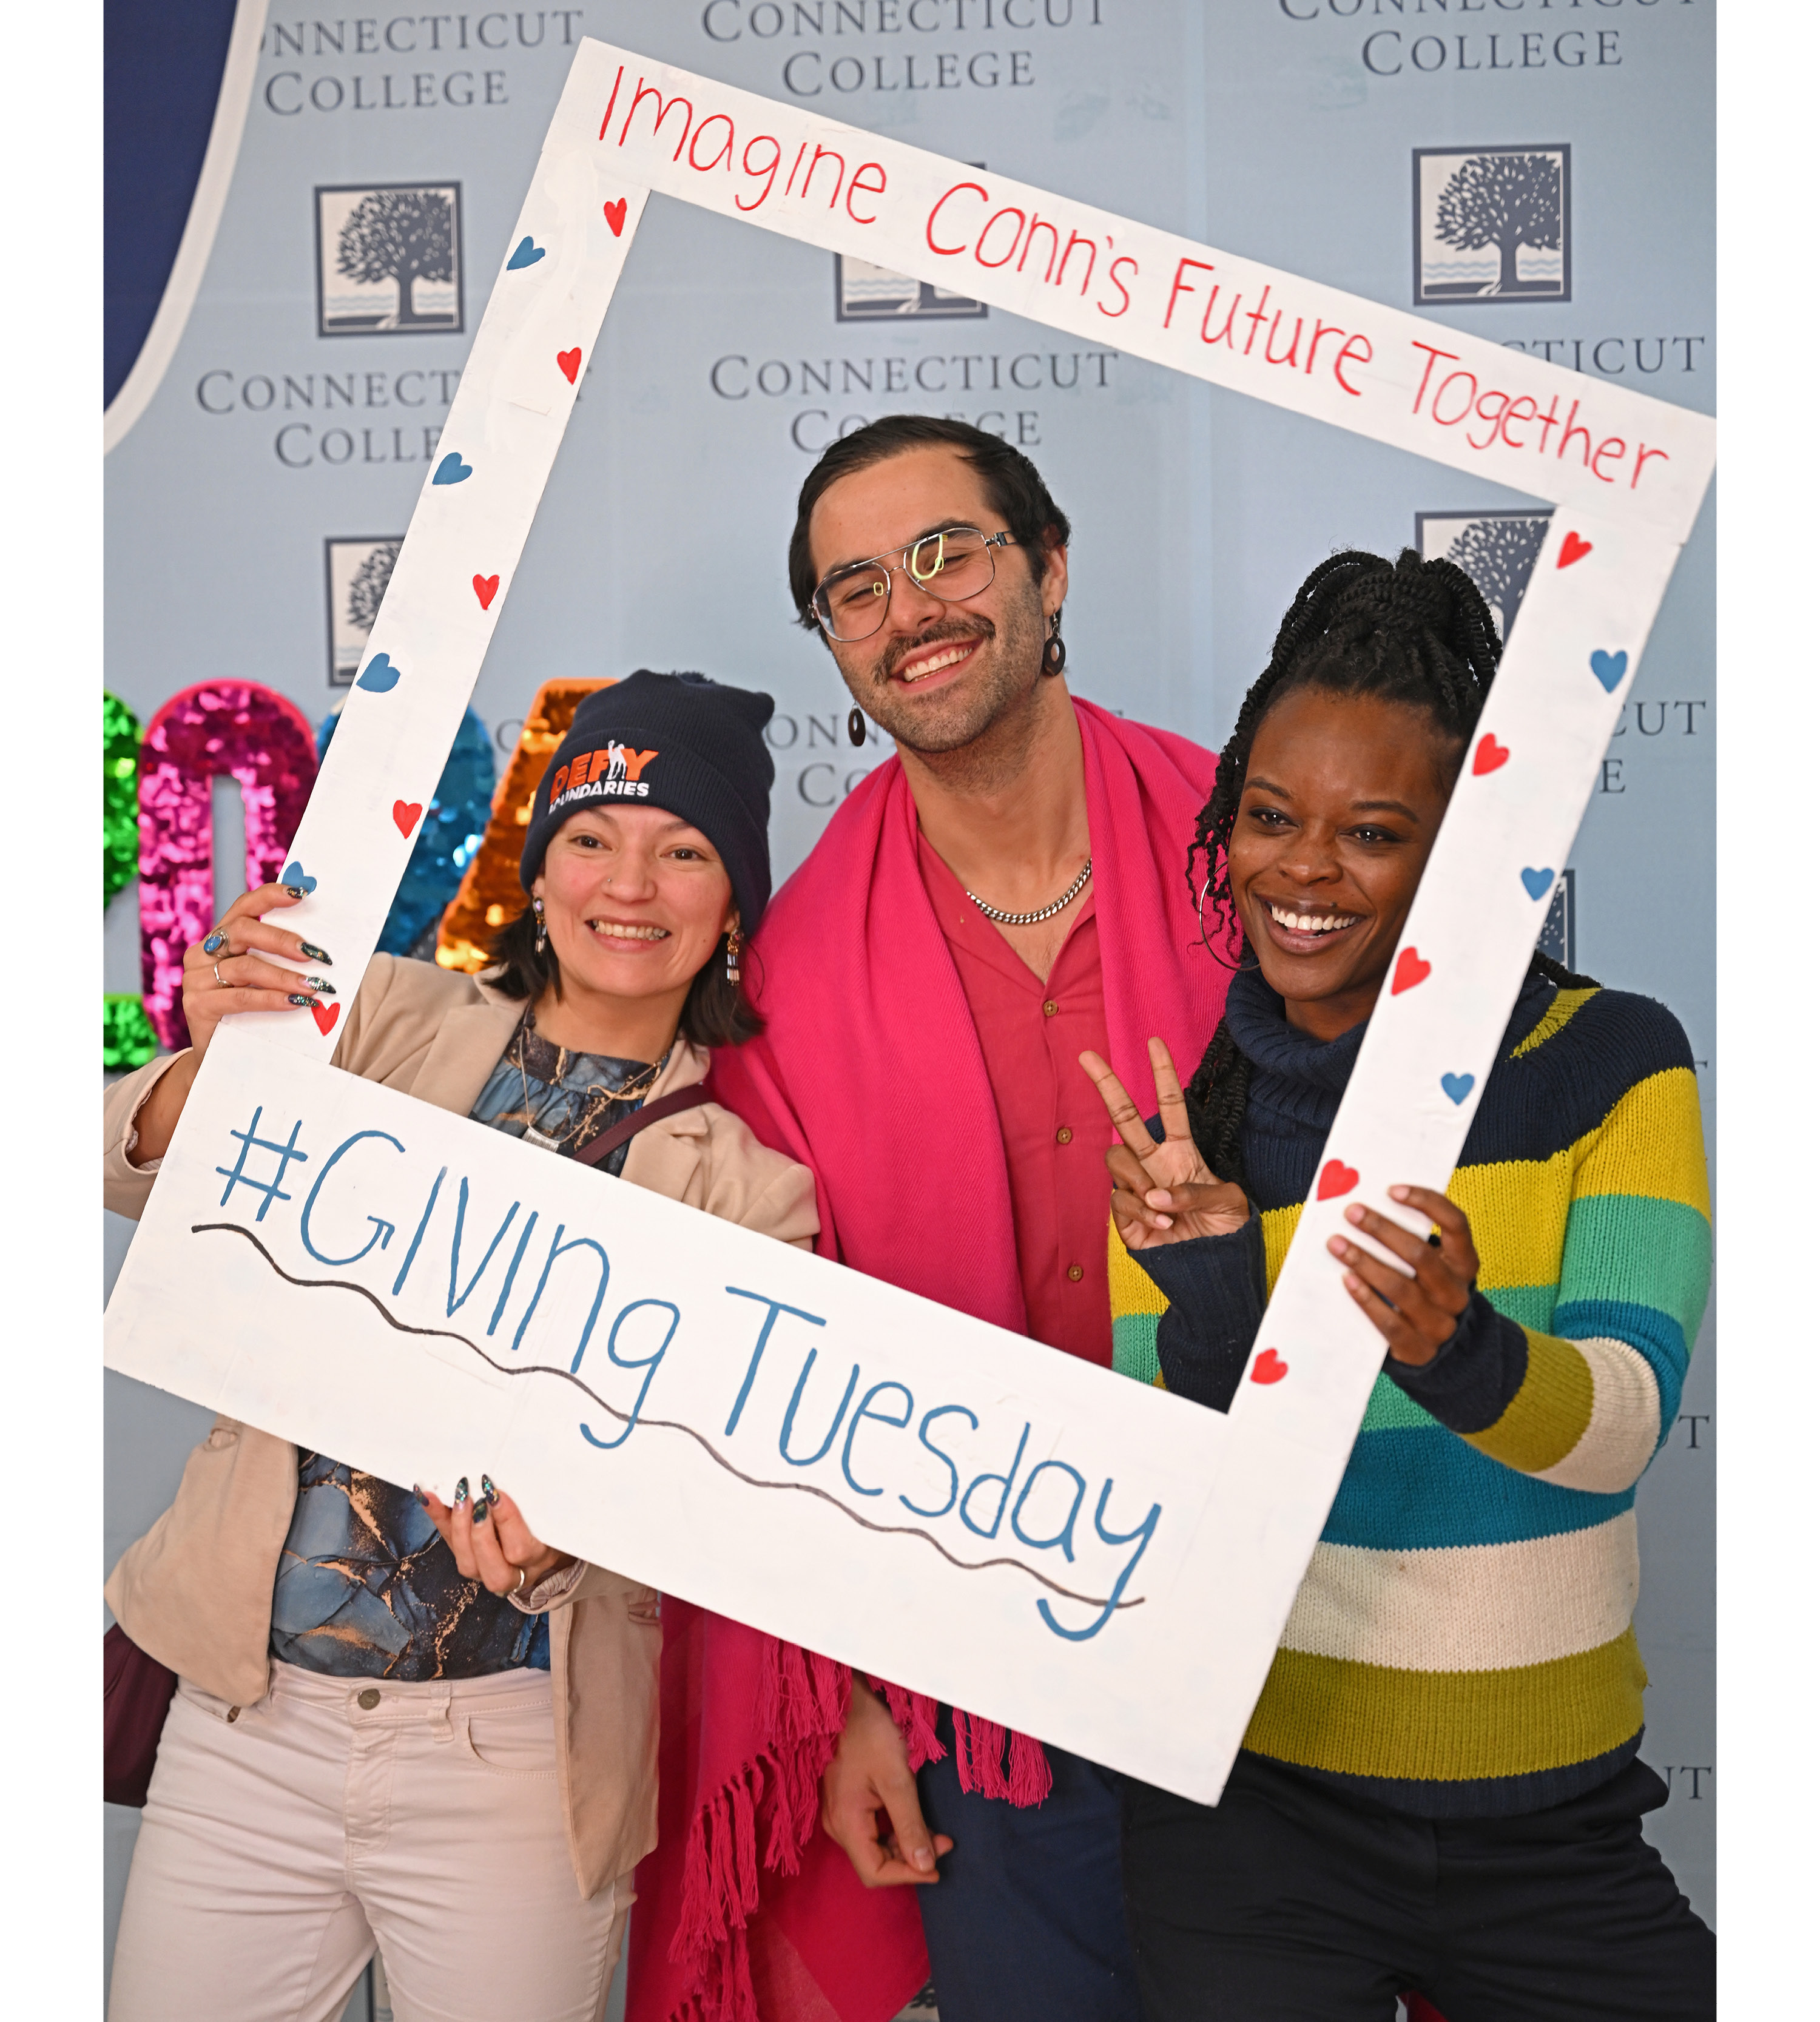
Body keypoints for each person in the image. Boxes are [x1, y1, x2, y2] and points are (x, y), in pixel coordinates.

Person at [625, 418, 1229, 2022]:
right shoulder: (795, 972)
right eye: (855, 588)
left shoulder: (1252, 857)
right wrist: (850, 1709)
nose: (912, 607)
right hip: (987, 1673)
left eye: (946, 551)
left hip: (1290, 1628)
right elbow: (779, 1377)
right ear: (834, 645)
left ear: (1049, 564)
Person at [104, 672, 818, 2022]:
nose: (632, 881)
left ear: (733, 906)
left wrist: (573, 1541)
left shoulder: (749, 1190)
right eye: (595, 836)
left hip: (512, 1758)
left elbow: (711, 1497)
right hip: (246, 1720)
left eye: (686, 850)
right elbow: (121, 1163)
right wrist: (210, 1070)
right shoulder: (377, 1015)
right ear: (538, 870)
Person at [1081, 549, 1716, 2020]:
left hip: (1552, 1834)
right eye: (1269, 817)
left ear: (1466, 849)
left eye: (1372, 831)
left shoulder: (1612, 1061)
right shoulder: (1196, 1118)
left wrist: (1466, 1349)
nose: (1301, 872)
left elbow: (1621, 1425)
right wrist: (1215, 1303)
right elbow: (1176, 1502)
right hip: (1255, 1816)